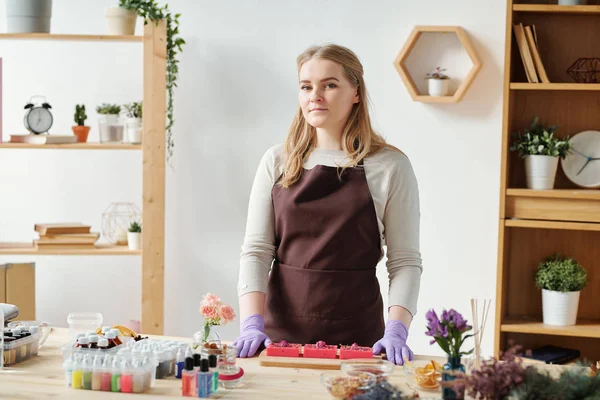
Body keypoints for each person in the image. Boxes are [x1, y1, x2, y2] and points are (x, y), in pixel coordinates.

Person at [233, 43, 422, 366]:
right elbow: (257, 250)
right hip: (280, 339)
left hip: (360, 340)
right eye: (306, 86)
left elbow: (404, 261)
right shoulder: (277, 161)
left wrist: (396, 330)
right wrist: (252, 324)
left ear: (356, 93)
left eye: (329, 85)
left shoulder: (391, 166)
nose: (314, 96)